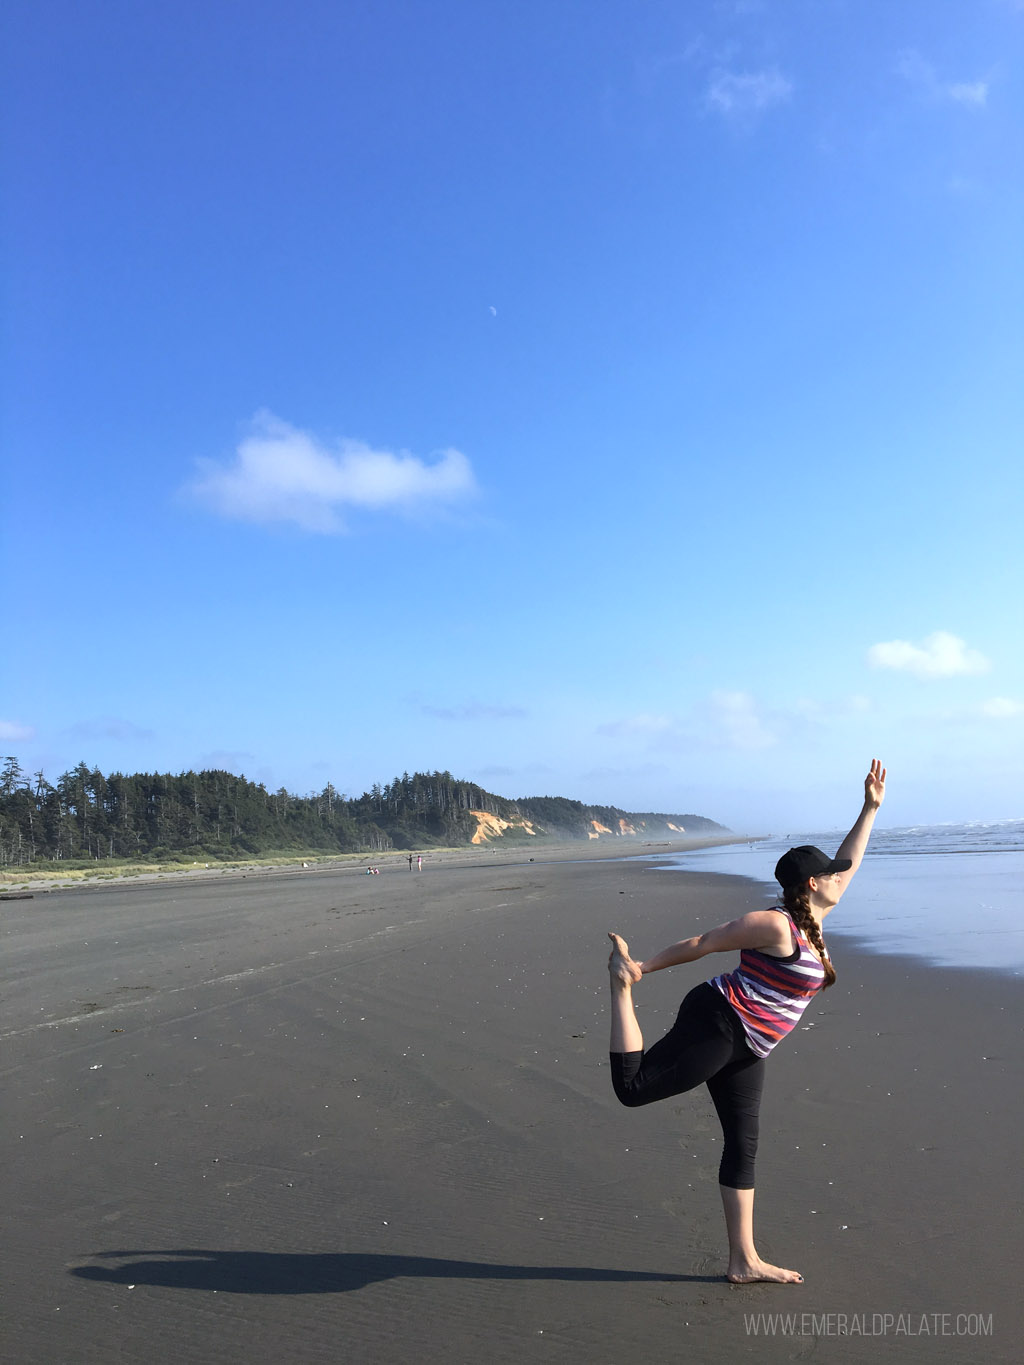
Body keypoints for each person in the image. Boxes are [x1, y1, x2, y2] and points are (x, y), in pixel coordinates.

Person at [607, 759, 886, 1284]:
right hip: (719, 1023)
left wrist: (869, 808)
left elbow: (851, 860)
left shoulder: (815, 918)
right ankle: (619, 990)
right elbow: (701, 944)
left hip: (751, 1045)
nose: (839, 877)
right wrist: (640, 969)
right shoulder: (775, 925)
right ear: (810, 883)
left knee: (743, 1144)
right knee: (633, 1089)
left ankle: (743, 1260)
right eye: (830, 873)